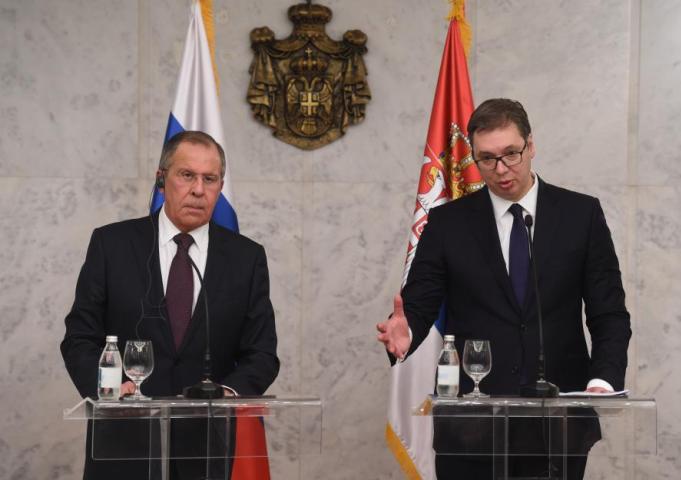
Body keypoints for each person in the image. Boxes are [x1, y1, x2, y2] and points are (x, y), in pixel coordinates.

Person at [377, 98, 631, 479]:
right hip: (471, 428)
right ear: (475, 159)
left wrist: (602, 380)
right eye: (487, 158)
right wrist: (407, 330)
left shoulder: (581, 215)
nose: (501, 169)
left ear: (531, 145)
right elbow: (420, 303)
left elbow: (608, 313)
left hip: (558, 425)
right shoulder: (448, 223)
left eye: (511, 153)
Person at [61, 130, 279, 479]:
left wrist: (225, 394)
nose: (198, 189)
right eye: (187, 175)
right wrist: (110, 388)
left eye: (210, 179)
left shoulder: (246, 258)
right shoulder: (112, 245)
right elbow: (80, 338)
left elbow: (262, 353)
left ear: (221, 187)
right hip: (123, 443)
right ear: (161, 180)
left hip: (206, 448)